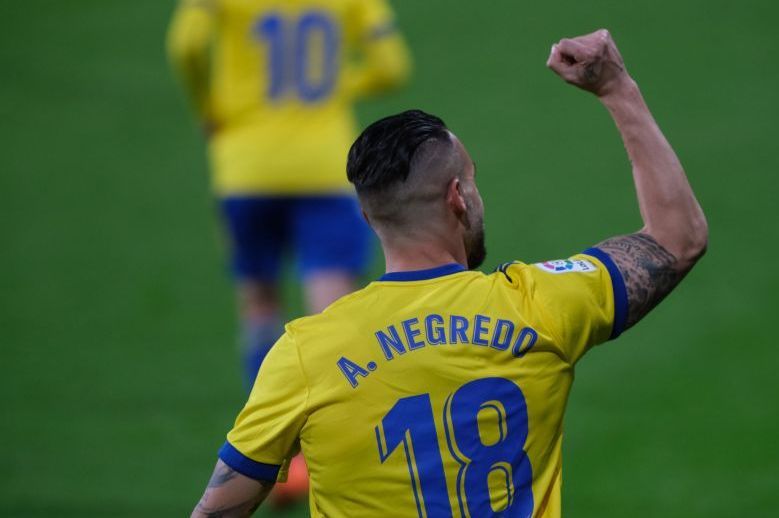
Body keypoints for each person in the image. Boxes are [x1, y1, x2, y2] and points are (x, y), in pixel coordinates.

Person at [190, 29, 708, 517]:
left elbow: (216, 510)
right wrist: (617, 87)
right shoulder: (541, 305)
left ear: (369, 218)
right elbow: (677, 239)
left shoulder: (304, 354)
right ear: (457, 197)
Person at [166, 0, 411, 387]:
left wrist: (207, 107)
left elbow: (186, 44)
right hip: (324, 168)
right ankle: (333, 429)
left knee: (259, 302)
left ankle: (266, 431)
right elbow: (392, 68)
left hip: (245, 168)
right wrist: (337, 84)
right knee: (331, 313)